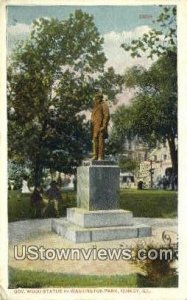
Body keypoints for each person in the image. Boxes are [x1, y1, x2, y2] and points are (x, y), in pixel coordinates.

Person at [91, 93, 110, 160]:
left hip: (101, 127)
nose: (95, 100)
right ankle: (95, 155)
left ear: (100, 98)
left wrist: (104, 126)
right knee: (95, 141)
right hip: (95, 127)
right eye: (95, 99)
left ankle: (100, 156)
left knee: (101, 142)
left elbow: (106, 116)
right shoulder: (95, 107)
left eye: (96, 99)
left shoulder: (103, 105)